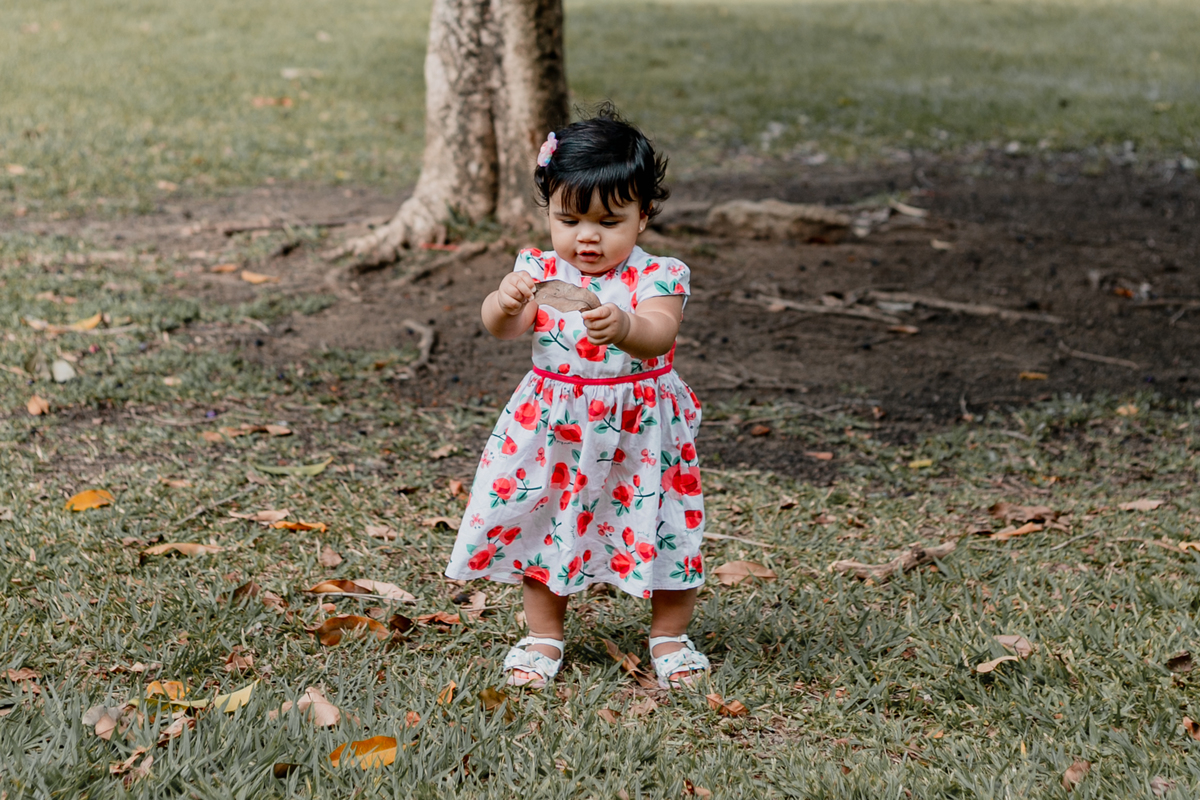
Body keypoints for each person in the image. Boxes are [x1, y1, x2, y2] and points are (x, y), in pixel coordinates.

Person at [444, 105, 708, 690]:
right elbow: (502, 329)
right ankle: (543, 635)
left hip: (640, 431)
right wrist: (505, 300)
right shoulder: (537, 268)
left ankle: (669, 635)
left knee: (662, 523)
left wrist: (625, 327)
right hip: (555, 429)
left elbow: (660, 332)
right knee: (546, 522)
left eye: (609, 221)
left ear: (643, 216)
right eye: (569, 219)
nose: (586, 236)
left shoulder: (657, 276)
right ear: (551, 213)